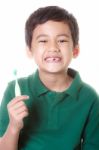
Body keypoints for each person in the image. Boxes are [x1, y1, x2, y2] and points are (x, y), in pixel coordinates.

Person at [0, 6, 99, 150]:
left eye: (62, 41)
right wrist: (14, 126)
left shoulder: (89, 98)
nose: (53, 47)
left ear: (75, 50)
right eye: (43, 41)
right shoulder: (15, 91)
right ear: (29, 50)